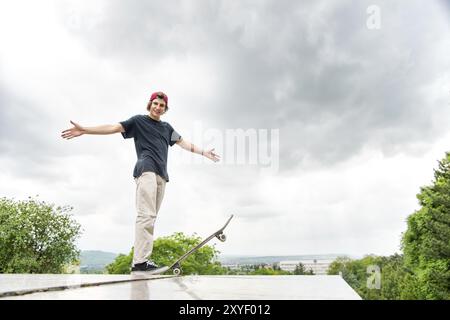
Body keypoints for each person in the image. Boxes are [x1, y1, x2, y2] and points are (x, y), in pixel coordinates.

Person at [61, 91, 220, 272]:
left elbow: (184, 143)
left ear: (165, 109)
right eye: (155, 104)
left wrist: (203, 152)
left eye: (161, 105)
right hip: (146, 169)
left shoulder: (167, 128)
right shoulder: (138, 121)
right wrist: (86, 129)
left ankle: (141, 261)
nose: (158, 107)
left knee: (151, 217)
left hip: (162, 175)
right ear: (149, 104)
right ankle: (140, 263)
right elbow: (113, 127)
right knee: (146, 215)